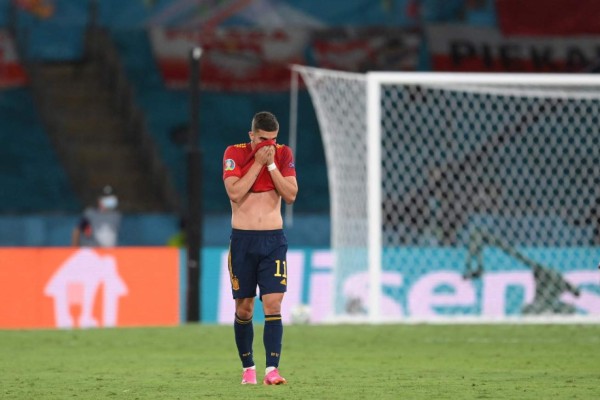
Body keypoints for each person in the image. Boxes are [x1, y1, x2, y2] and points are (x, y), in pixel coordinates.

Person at [222, 111, 298, 385]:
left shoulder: (283, 154)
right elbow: (235, 192)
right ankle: (248, 368)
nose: (270, 146)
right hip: (243, 241)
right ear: (251, 135)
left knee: (273, 302)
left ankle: (272, 370)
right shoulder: (234, 153)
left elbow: (290, 195)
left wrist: (272, 166)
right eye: (263, 139)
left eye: (274, 140)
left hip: (273, 242)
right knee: (244, 308)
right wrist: (258, 162)